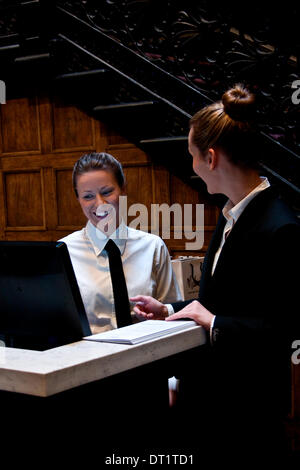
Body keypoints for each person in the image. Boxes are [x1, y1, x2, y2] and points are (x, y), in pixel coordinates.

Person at [131, 84, 300, 463]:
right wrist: (169, 310)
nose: (192, 167)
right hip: (210, 402)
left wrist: (213, 320)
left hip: (243, 414)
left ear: (210, 157)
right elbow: (219, 302)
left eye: (191, 156)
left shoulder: (280, 227)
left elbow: (283, 331)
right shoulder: (230, 216)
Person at [59, 152, 181, 334]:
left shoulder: (153, 247)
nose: (99, 203)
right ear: (78, 199)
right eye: (88, 196)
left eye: (107, 192)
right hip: (89, 357)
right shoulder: (64, 251)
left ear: (123, 189)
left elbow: (172, 314)